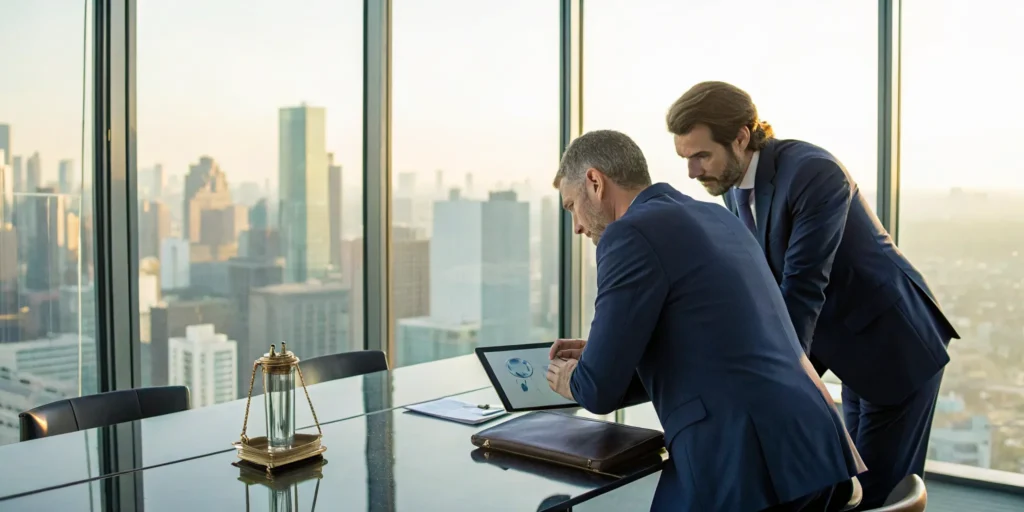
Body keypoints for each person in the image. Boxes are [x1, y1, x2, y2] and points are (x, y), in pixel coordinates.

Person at [665, 81, 959, 508]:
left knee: (876, 494)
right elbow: (763, 288)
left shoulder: (812, 172)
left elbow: (802, 287)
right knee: (852, 483)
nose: (692, 172)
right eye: (685, 158)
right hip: (848, 351)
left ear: (741, 137)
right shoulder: (733, 185)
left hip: (893, 347)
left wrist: (774, 384)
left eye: (700, 155)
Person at [545, 129, 863, 512]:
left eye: (571, 207)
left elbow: (596, 391)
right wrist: (605, 355)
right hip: (817, 448)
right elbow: (711, 348)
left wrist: (571, 379)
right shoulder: (716, 216)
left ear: (595, 183)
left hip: (745, 465)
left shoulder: (628, 235)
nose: (576, 226)